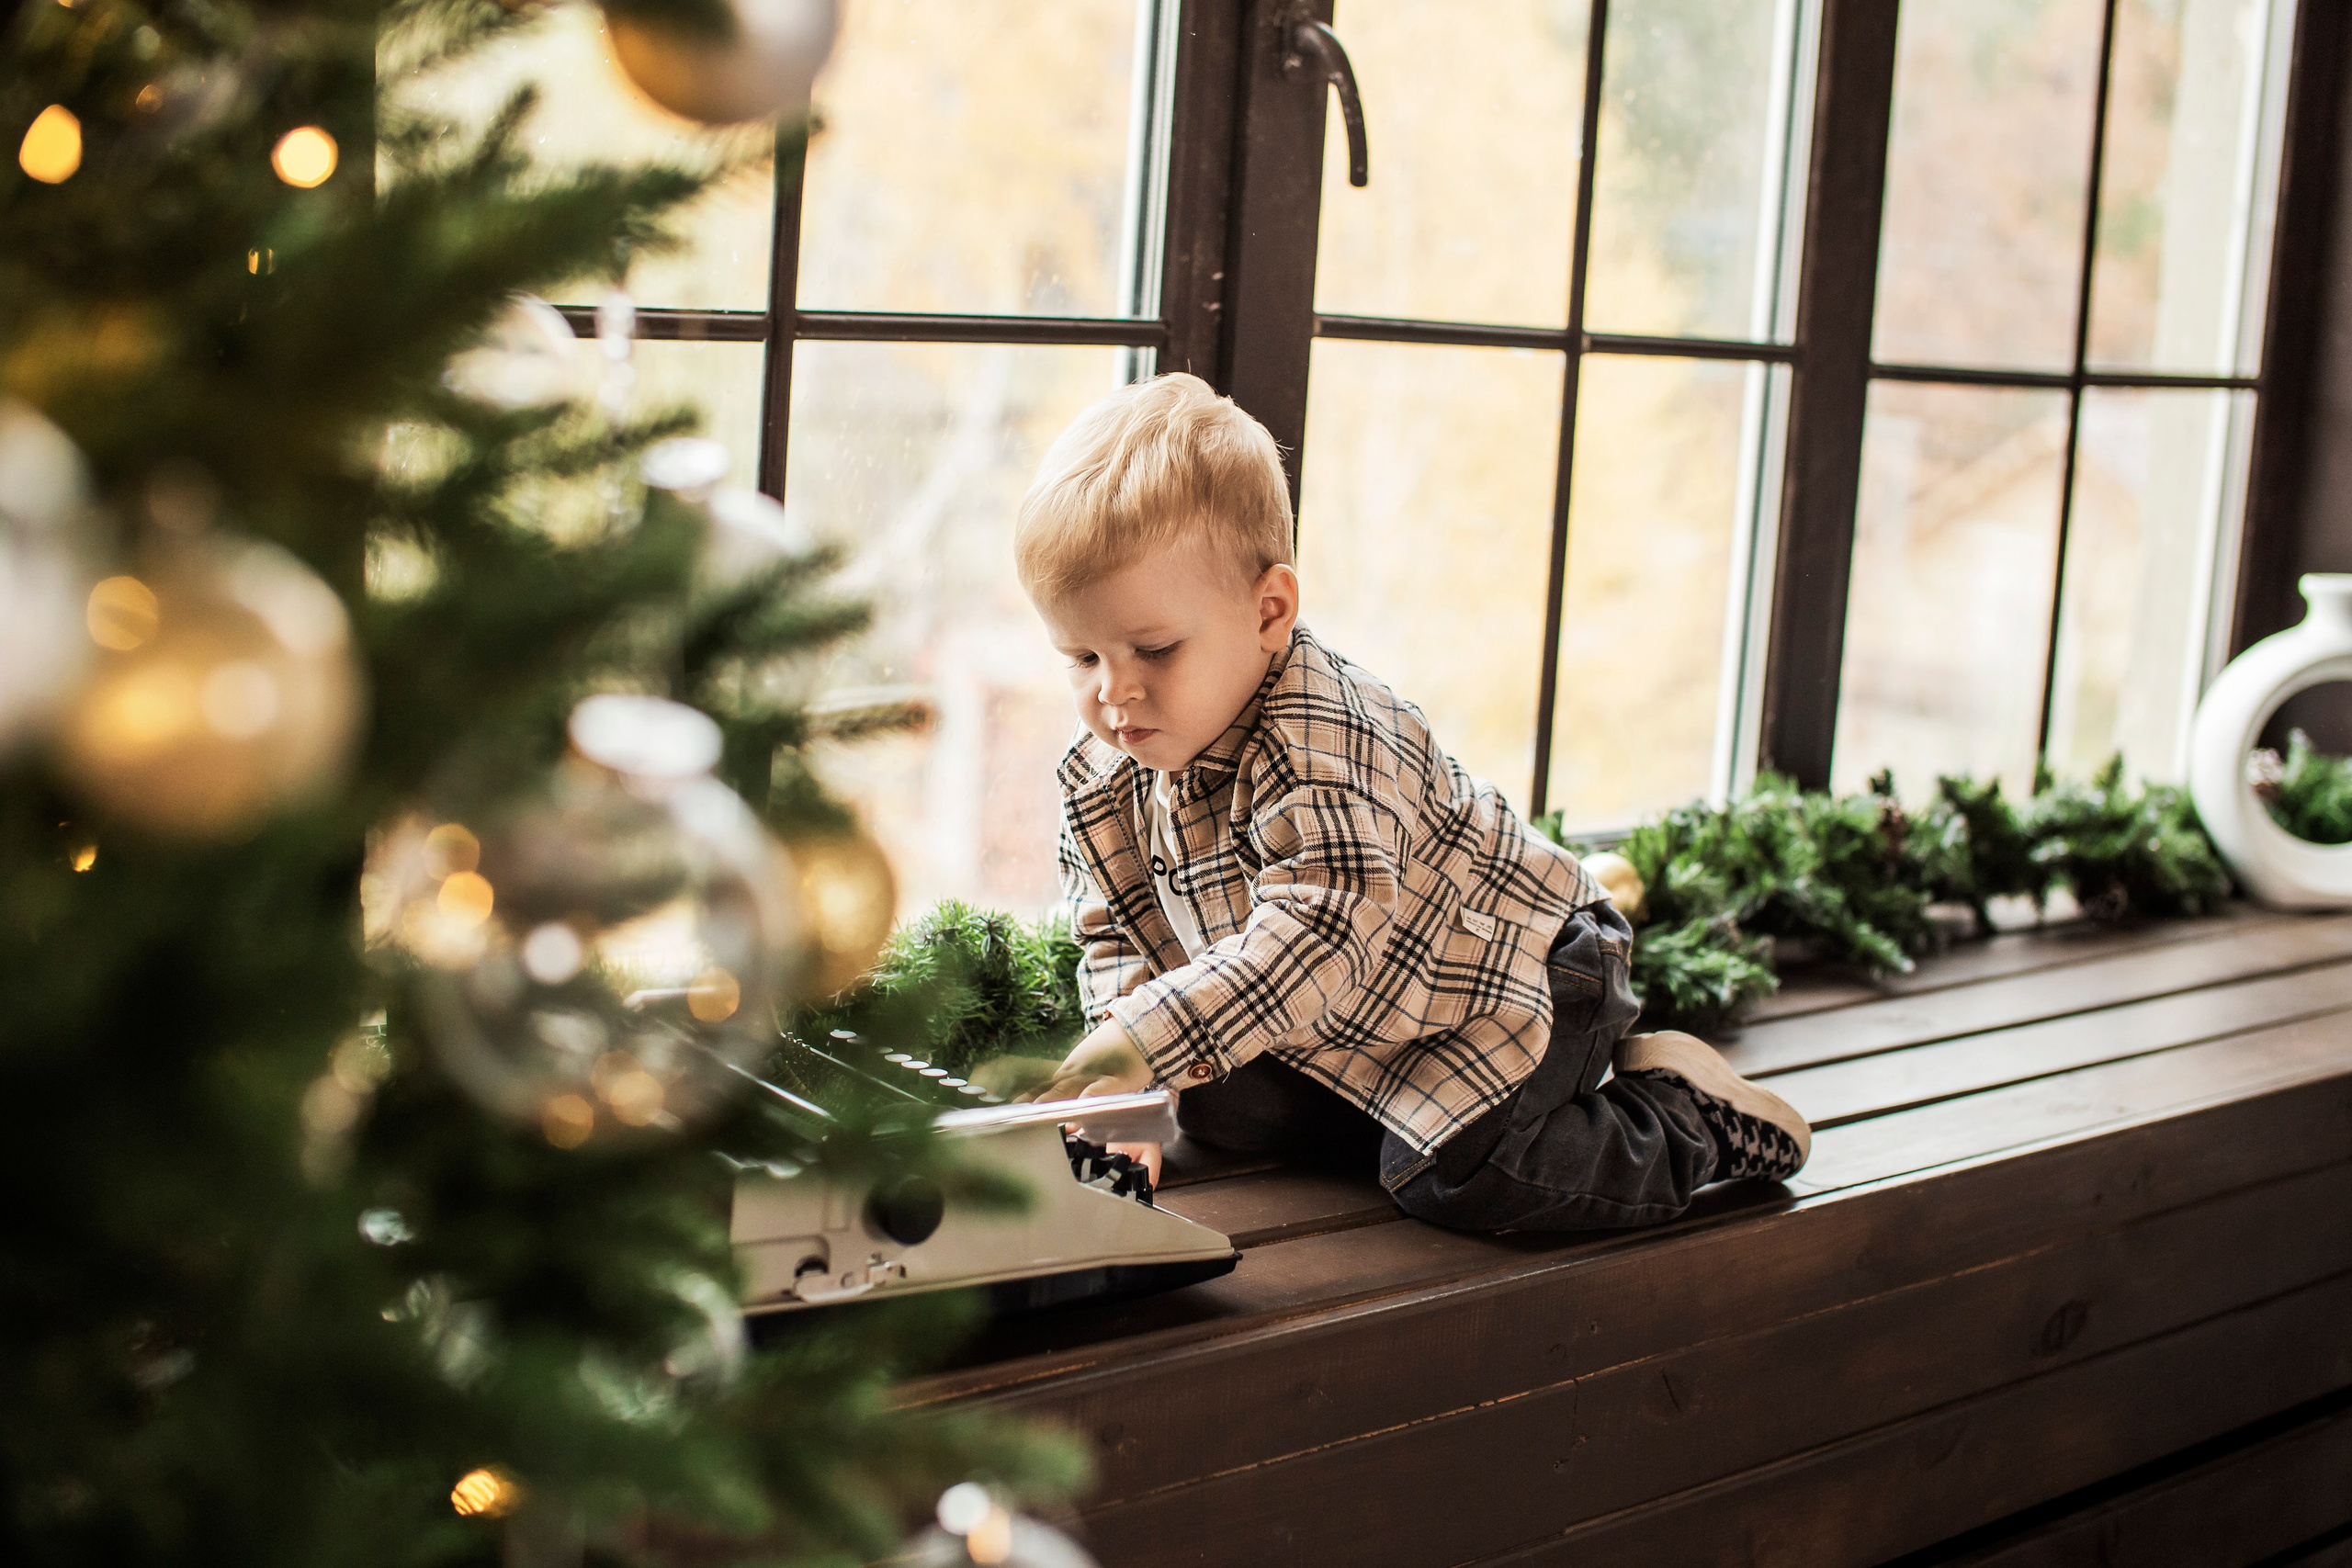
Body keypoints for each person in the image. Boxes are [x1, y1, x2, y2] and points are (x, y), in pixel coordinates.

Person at [1005, 372, 1807, 1232]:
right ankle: (1396, 1115)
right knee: (1215, 1106)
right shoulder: (1102, 774)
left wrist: (1143, 1038)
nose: (1113, 693)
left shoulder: (1323, 739)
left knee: (1461, 1175)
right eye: (1081, 658)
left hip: (1522, 968)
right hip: (1368, 1006)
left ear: (1269, 611)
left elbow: (1322, 934)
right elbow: (1116, 935)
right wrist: (1127, 1094)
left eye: (1155, 650)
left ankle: (1686, 1120)